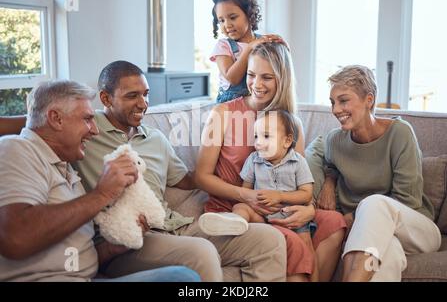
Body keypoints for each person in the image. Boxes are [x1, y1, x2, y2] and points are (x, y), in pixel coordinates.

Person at [72, 60, 287, 282]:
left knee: (269, 240)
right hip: (126, 241)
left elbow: (187, 180)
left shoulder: (155, 138)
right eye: (132, 96)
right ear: (105, 98)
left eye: (146, 94)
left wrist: (226, 165)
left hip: (173, 227)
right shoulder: (87, 132)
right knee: (201, 252)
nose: (143, 103)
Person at [0, 80, 200, 282]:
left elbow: (76, 254)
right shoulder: (16, 149)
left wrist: (114, 247)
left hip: (89, 277)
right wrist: (102, 194)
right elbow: (16, 238)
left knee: (182, 277)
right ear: (56, 118)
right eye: (87, 119)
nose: (95, 130)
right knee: (181, 279)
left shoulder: (66, 168)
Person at [195, 42, 346, 282]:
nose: (256, 84)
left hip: (280, 206)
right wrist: (246, 197)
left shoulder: (291, 124)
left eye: (267, 77)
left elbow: (300, 179)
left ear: (281, 80)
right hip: (235, 209)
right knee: (294, 243)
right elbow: (201, 177)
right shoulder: (222, 114)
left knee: (336, 222)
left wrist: (307, 210)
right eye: (252, 75)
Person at [317, 65, 442, 281]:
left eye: (343, 100)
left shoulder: (400, 134)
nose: (336, 109)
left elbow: (409, 200)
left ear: (369, 100)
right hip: (371, 237)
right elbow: (331, 165)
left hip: (416, 230)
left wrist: (355, 216)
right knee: (385, 256)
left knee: (373, 204)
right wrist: (329, 181)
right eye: (332, 102)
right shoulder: (334, 141)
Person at [199, 109, 319, 281]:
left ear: (287, 141)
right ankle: (234, 222)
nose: (258, 143)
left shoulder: (298, 162)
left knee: (306, 250)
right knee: (240, 206)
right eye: (256, 137)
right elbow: (246, 191)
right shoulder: (254, 160)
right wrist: (252, 201)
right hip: (263, 216)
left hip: (292, 217)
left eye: (266, 136)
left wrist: (280, 196)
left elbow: (306, 195)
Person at [211, 0, 286, 103]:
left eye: (232, 17)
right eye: (221, 20)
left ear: (249, 14)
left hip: (259, 100)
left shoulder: (263, 42)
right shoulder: (223, 46)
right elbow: (232, 78)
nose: (227, 24)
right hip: (231, 104)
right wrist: (250, 47)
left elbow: (282, 71)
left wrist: (283, 47)